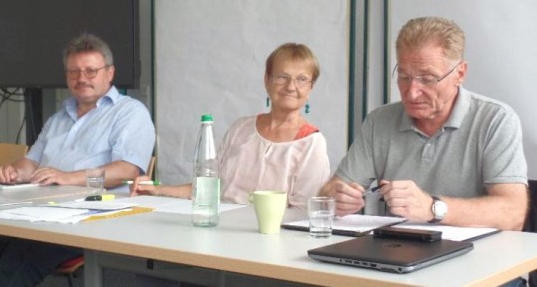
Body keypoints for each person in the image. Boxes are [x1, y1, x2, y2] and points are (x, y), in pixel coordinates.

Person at [0, 33, 155, 287]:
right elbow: (31, 163)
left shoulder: (130, 112)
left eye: (91, 71)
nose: (82, 79)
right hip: (40, 210)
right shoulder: (58, 118)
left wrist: (69, 178)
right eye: (74, 72)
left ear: (110, 73)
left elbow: (126, 171)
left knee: (18, 256)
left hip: (91, 216)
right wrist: (12, 173)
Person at [319, 17, 528, 230]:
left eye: (427, 79)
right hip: (398, 253)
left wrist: (432, 208)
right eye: (403, 76)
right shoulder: (379, 121)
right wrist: (335, 197)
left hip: (478, 256)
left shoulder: (495, 120)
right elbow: (332, 191)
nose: (411, 92)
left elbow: (513, 214)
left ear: (460, 74)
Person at [131, 42, 331, 209]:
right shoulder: (241, 128)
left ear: (311, 88)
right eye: (282, 77)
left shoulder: (312, 142)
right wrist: (157, 189)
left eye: (302, 79)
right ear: (267, 80)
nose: (291, 87)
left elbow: (303, 213)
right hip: (220, 229)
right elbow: (209, 187)